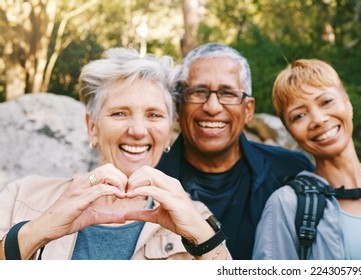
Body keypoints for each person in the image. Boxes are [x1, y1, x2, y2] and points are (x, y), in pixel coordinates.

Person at [0, 48, 230, 260]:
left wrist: (203, 239)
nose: (138, 130)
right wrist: (39, 230)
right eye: (120, 113)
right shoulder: (21, 195)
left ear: (169, 132)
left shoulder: (195, 216)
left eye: (154, 115)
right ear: (92, 127)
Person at [156, 43, 315, 260]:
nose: (212, 107)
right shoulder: (152, 182)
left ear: (248, 109)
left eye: (227, 93)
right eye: (198, 92)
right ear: (180, 105)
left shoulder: (291, 172)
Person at [252, 59, 361, 260]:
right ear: (290, 130)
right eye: (299, 116)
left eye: (326, 102)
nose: (318, 119)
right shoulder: (286, 206)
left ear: (348, 104)